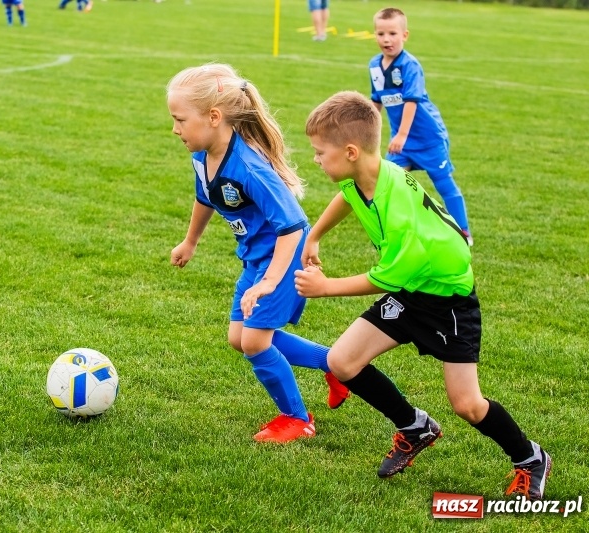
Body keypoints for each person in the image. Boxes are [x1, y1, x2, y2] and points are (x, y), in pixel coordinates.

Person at [295, 90, 551, 499]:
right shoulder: (367, 174)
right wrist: (315, 234)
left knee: (467, 404)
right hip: (412, 293)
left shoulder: (399, 211)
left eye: (319, 152)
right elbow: (348, 198)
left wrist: (325, 288)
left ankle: (530, 458)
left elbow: (386, 278)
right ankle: (414, 426)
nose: (316, 159)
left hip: (447, 303)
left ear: (349, 151)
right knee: (342, 361)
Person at [166, 63, 350, 443]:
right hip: (257, 258)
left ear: (214, 117)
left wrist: (269, 281)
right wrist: (191, 241)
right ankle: (333, 364)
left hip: (284, 256)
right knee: (240, 338)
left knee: (254, 342)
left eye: (180, 119)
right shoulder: (202, 156)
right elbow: (206, 198)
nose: (175, 129)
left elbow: (293, 226)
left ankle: (297, 419)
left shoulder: (249, 166)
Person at [369, 8, 472, 245]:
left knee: (444, 184)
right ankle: (394, 232)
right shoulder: (374, 65)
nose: (386, 39)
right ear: (374, 35)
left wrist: (402, 134)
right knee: (386, 183)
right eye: (381, 33)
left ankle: (464, 233)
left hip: (428, 139)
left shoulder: (410, 65)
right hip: (401, 143)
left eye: (392, 33)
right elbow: (375, 102)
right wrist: (368, 134)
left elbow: (411, 102)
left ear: (405, 35)